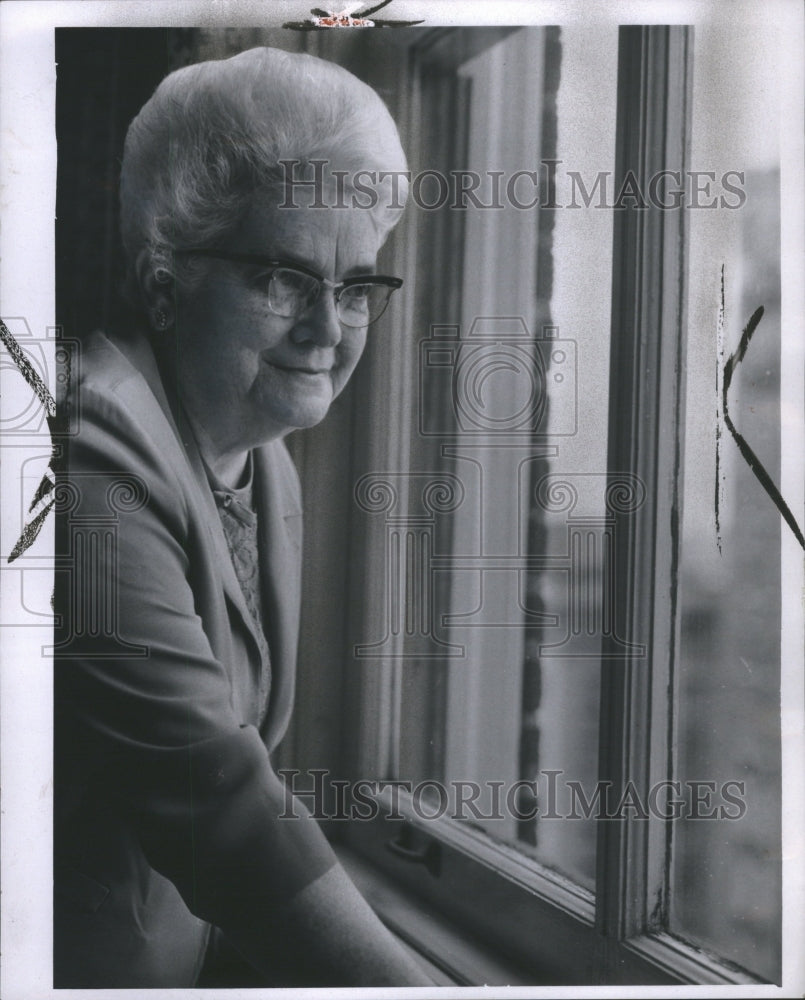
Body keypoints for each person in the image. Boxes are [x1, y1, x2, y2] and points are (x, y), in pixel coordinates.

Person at [53, 45, 432, 988]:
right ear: (163, 279)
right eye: (282, 277)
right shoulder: (89, 455)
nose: (327, 327)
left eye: (356, 287)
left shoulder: (265, 462)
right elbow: (219, 809)